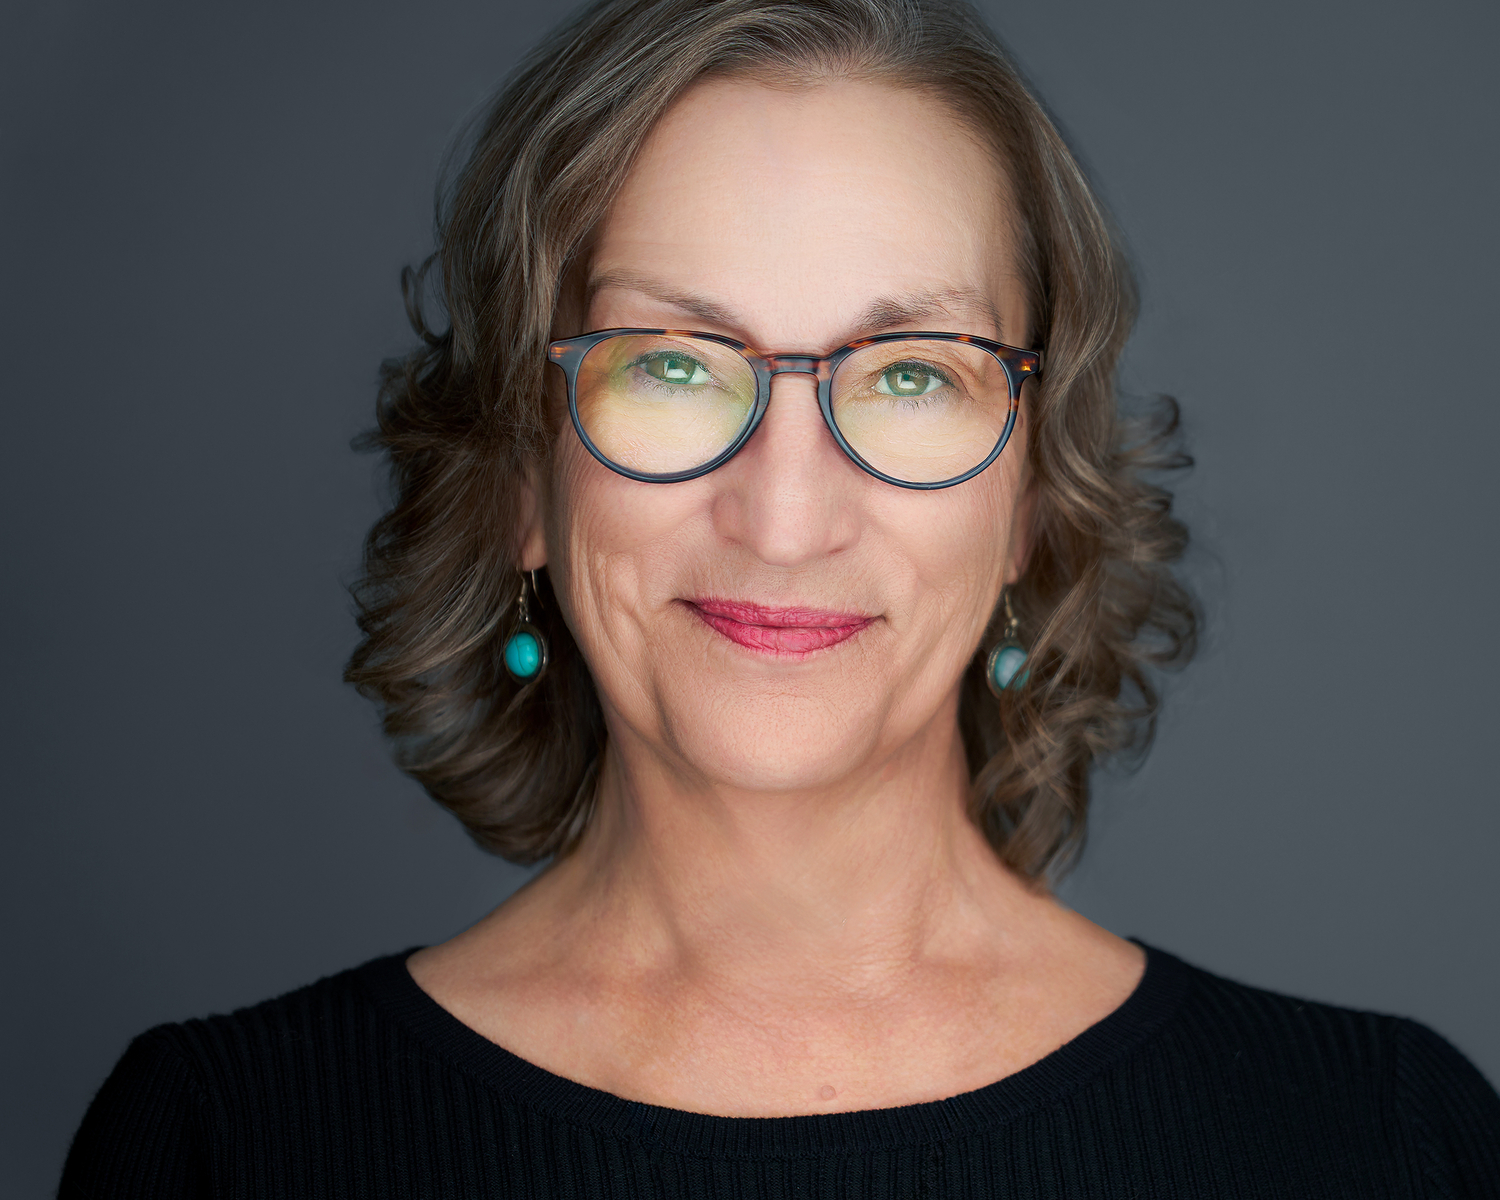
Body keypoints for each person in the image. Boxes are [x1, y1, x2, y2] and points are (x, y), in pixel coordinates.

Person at [59, 0, 1499, 1195]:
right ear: (519, 477)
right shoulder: (223, 1145)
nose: (787, 516)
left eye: (912, 374)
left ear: (1030, 502)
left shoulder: (1384, 1143)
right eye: (673, 365)